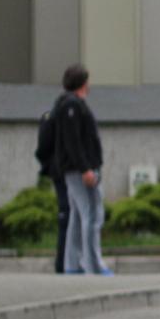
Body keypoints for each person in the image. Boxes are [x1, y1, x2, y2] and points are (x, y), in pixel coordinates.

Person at [52, 64, 110, 276]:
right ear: (84, 83)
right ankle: (93, 265)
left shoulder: (68, 105)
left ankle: (72, 265)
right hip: (81, 171)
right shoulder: (73, 107)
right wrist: (86, 169)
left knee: (77, 216)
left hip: (75, 170)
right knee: (93, 215)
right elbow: (73, 142)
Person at [36, 99, 70, 273]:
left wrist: (49, 167)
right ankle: (65, 264)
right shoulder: (66, 116)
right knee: (70, 216)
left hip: (57, 172)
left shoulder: (50, 116)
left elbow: (41, 150)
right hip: (66, 172)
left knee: (66, 216)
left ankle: (64, 263)